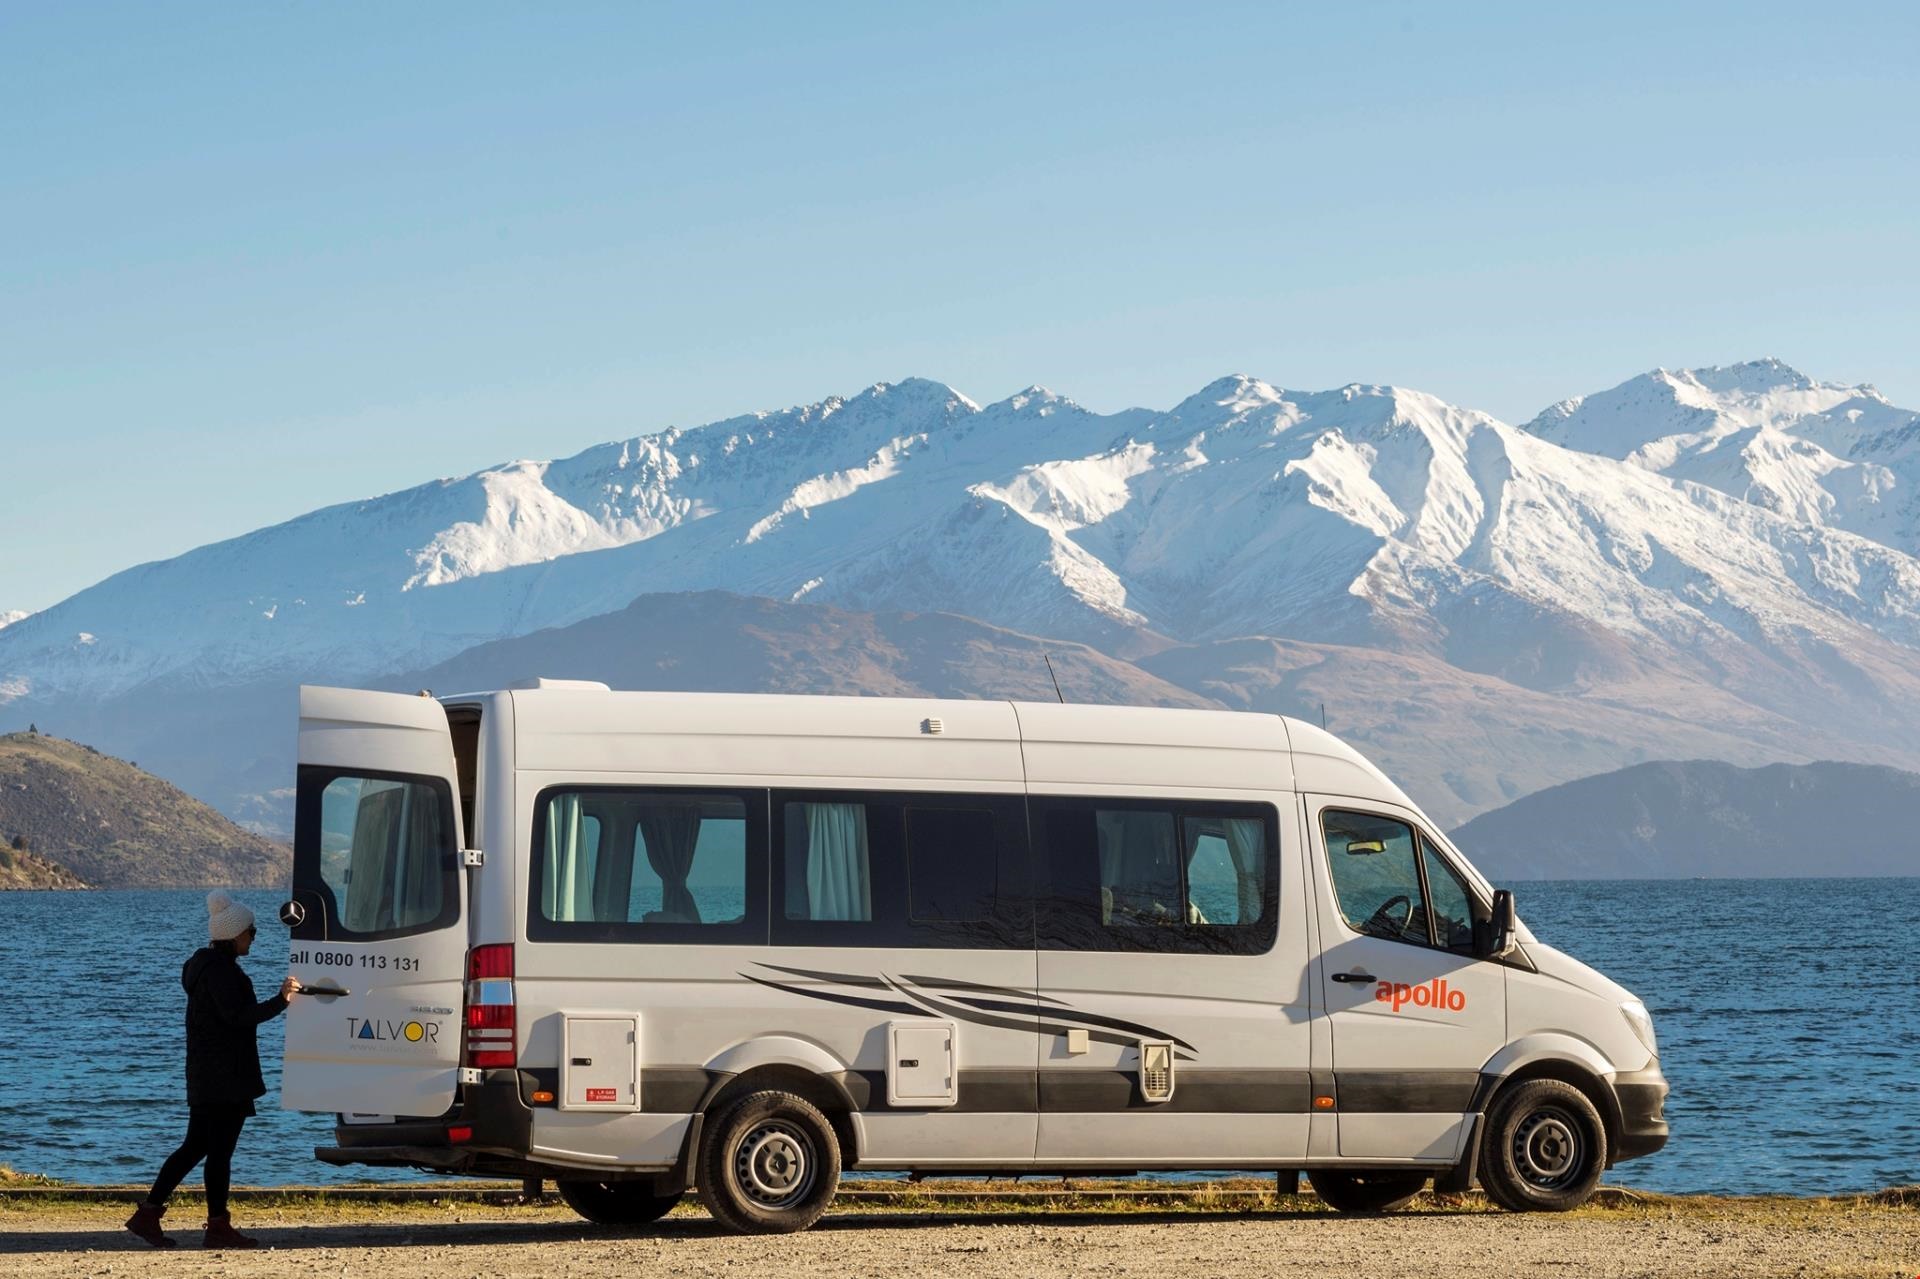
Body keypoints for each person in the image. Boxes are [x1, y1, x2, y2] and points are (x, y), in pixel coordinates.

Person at [124, 891, 301, 1249]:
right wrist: (281, 1001)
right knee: (216, 1152)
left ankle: (151, 1213)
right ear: (234, 934)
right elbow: (238, 1017)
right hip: (224, 1078)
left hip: (208, 1074)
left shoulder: (206, 968)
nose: (255, 936)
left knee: (195, 1147)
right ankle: (215, 1226)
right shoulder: (221, 973)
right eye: (252, 930)